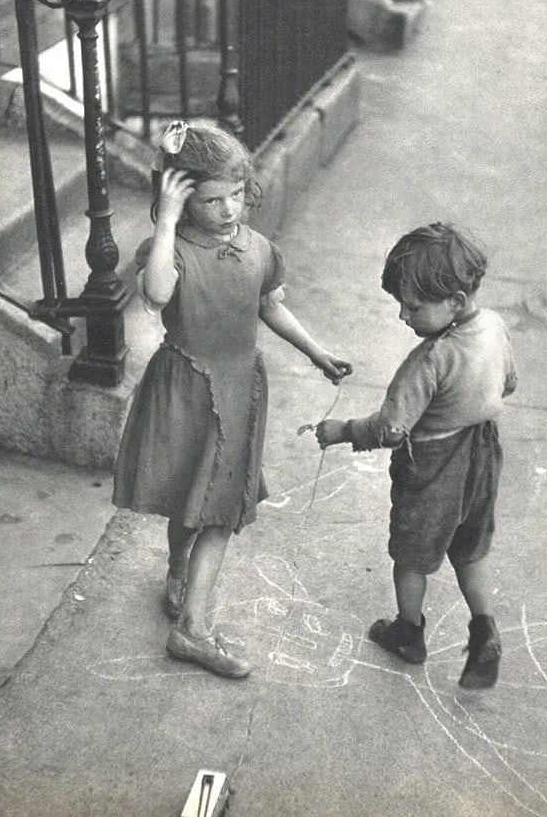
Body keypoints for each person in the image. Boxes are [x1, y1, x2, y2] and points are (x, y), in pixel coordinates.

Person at [113, 118, 352, 680]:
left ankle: (189, 615)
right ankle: (187, 609)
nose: (228, 210)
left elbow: (269, 306)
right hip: (186, 388)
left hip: (239, 386)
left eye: (238, 195)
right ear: (180, 199)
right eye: (213, 200)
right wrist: (167, 221)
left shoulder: (258, 248)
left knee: (217, 508)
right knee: (190, 499)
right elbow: (155, 294)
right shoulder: (167, 250)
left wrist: (317, 351)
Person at [315, 223, 517, 690]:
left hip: (434, 463)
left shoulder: (430, 360)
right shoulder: (494, 327)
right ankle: (485, 628)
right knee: (469, 547)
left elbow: (391, 428)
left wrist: (343, 430)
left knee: (411, 553)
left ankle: (408, 632)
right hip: (482, 452)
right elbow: (508, 383)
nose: (404, 316)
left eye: (414, 306)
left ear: (456, 303)